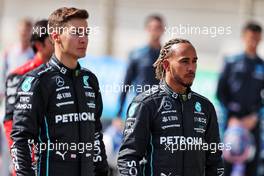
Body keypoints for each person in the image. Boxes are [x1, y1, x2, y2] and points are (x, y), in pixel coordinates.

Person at [10, 7, 108, 176]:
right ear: (55, 37)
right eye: (76, 33)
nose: (84, 39)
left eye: (86, 33)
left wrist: (102, 171)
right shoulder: (37, 81)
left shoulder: (89, 80)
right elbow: (21, 138)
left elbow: (96, 134)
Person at [118, 38, 224, 176]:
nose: (191, 68)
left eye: (194, 61)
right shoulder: (146, 104)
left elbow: (214, 160)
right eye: (184, 61)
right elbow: (128, 157)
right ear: (167, 65)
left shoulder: (205, 107)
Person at [2, 19, 53, 176]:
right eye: (52, 40)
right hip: (28, 160)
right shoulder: (18, 75)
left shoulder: (64, 74)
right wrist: (25, 163)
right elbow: (11, 123)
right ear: (39, 45)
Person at [216, 21, 264, 176]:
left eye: (256, 38)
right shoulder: (231, 61)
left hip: (252, 122)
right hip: (232, 121)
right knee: (224, 162)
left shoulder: (261, 65)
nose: (253, 41)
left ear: (260, 39)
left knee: (253, 163)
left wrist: (256, 116)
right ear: (244, 37)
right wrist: (231, 118)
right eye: (250, 37)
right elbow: (220, 93)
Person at [116, 14, 165, 117]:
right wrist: (118, 114)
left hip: (162, 108)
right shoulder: (137, 54)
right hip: (142, 106)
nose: (156, 31)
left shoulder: (168, 56)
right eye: (153, 28)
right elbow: (126, 83)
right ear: (147, 29)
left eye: (159, 28)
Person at [0, 18, 34, 101]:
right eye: (22, 31)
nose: (24, 33)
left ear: (31, 32)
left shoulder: (34, 53)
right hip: (9, 94)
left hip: (26, 95)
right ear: (18, 31)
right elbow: (2, 72)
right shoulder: (9, 51)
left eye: (27, 31)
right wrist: (2, 91)